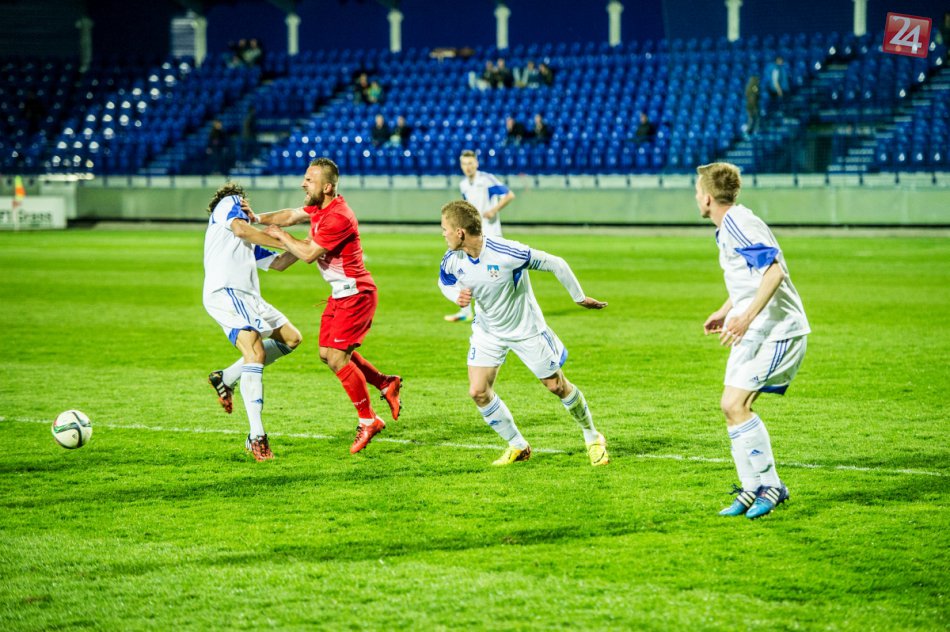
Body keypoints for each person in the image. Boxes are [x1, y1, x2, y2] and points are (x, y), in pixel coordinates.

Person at [248, 158, 403, 454]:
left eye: (310, 180)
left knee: (337, 358)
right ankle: (386, 383)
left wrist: (281, 236)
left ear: (328, 187)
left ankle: (368, 419)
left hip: (356, 294)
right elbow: (290, 215)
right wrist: (255, 217)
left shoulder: (338, 217)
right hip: (340, 294)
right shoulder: (320, 209)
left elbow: (308, 254)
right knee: (326, 354)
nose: (303, 184)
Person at [438, 200, 609, 466]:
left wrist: (579, 297)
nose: (443, 234)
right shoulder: (453, 258)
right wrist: (455, 295)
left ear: (460, 232)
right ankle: (518, 446)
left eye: (445, 229)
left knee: (557, 386)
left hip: (526, 330)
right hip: (488, 332)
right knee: (478, 391)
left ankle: (592, 436)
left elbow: (556, 263)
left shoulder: (507, 252)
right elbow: (444, 281)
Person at [694, 162, 810, 520]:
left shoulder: (738, 225)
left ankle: (771, 486)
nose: (696, 198)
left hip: (778, 329)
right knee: (730, 407)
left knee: (736, 404)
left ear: (707, 198)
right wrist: (726, 309)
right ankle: (750, 488)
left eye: (697, 192)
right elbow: (749, 277)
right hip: (757, 328)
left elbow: (774, 272)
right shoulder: (730, 226)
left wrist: (744, 317)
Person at [203, 183, 302, 462]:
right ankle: (257, 436)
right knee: (255, 352)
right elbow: (241, 229)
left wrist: (309, 243)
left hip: (249, 298)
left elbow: (280, 263)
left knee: (291, 338)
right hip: (227, 293)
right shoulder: (230, 205)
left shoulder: (244, 239)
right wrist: (282, 238)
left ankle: (225, 377)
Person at [444, 149, 516, 322]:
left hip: (491, 234)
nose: (467, 167)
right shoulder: (464, 185)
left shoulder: (486, 179)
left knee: (497, 274)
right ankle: (465, 311)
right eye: (464, 164)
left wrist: (493, 210)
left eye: (470, 163)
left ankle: (505, 311)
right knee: (462, 269)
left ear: (476, 163)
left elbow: (509, 195)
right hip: (473, 236)